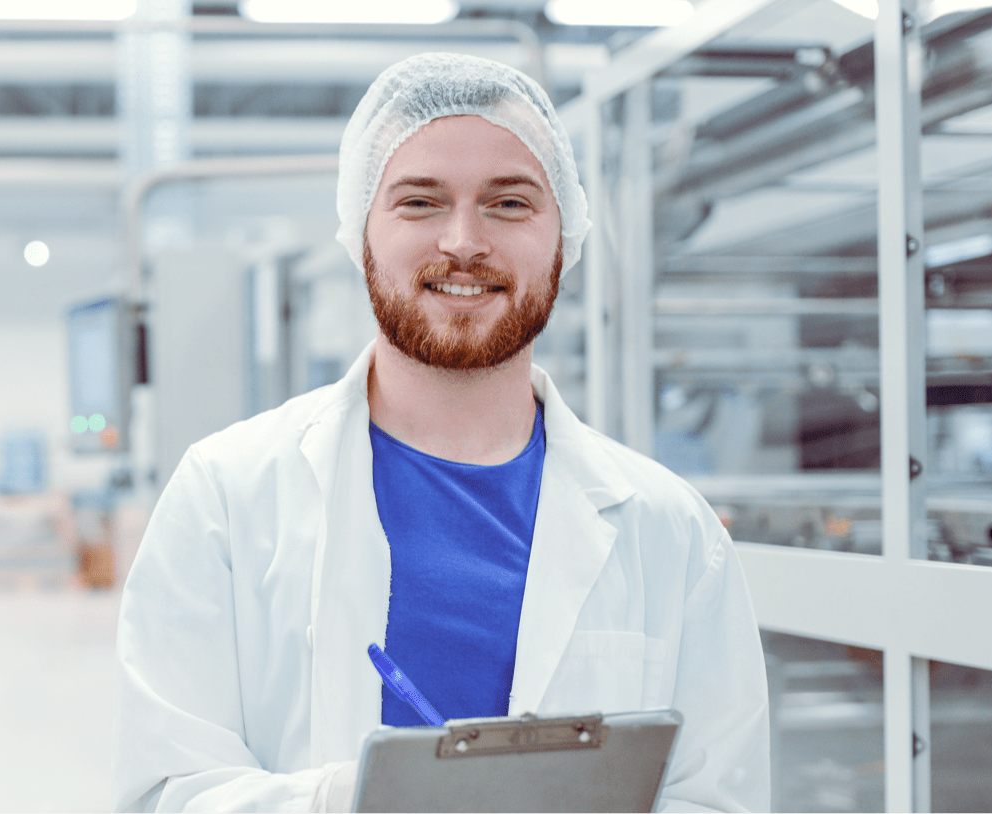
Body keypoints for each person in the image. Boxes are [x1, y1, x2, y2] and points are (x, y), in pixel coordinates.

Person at [112, 52, 770, 814]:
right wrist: (360, 800)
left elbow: (721, 796)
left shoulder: (671, 530)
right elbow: (164, 791)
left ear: (567, 235)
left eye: (511, 204)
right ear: (361, 230)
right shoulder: (225, 496)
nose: (463, 241)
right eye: (420, 202)